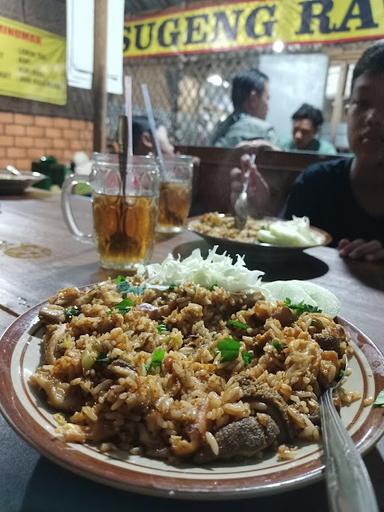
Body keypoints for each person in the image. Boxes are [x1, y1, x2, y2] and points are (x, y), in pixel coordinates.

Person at [231, 41, 384, 262]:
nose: (374, 118)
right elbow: (279, 259)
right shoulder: (315, 184)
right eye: (362, 103)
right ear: (349, 108)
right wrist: (260, 215)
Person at [210, 69, 275, 148]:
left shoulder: (220, 129)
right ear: (253, 98)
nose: (268, 107)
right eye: (267, 98)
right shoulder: (264, 131)